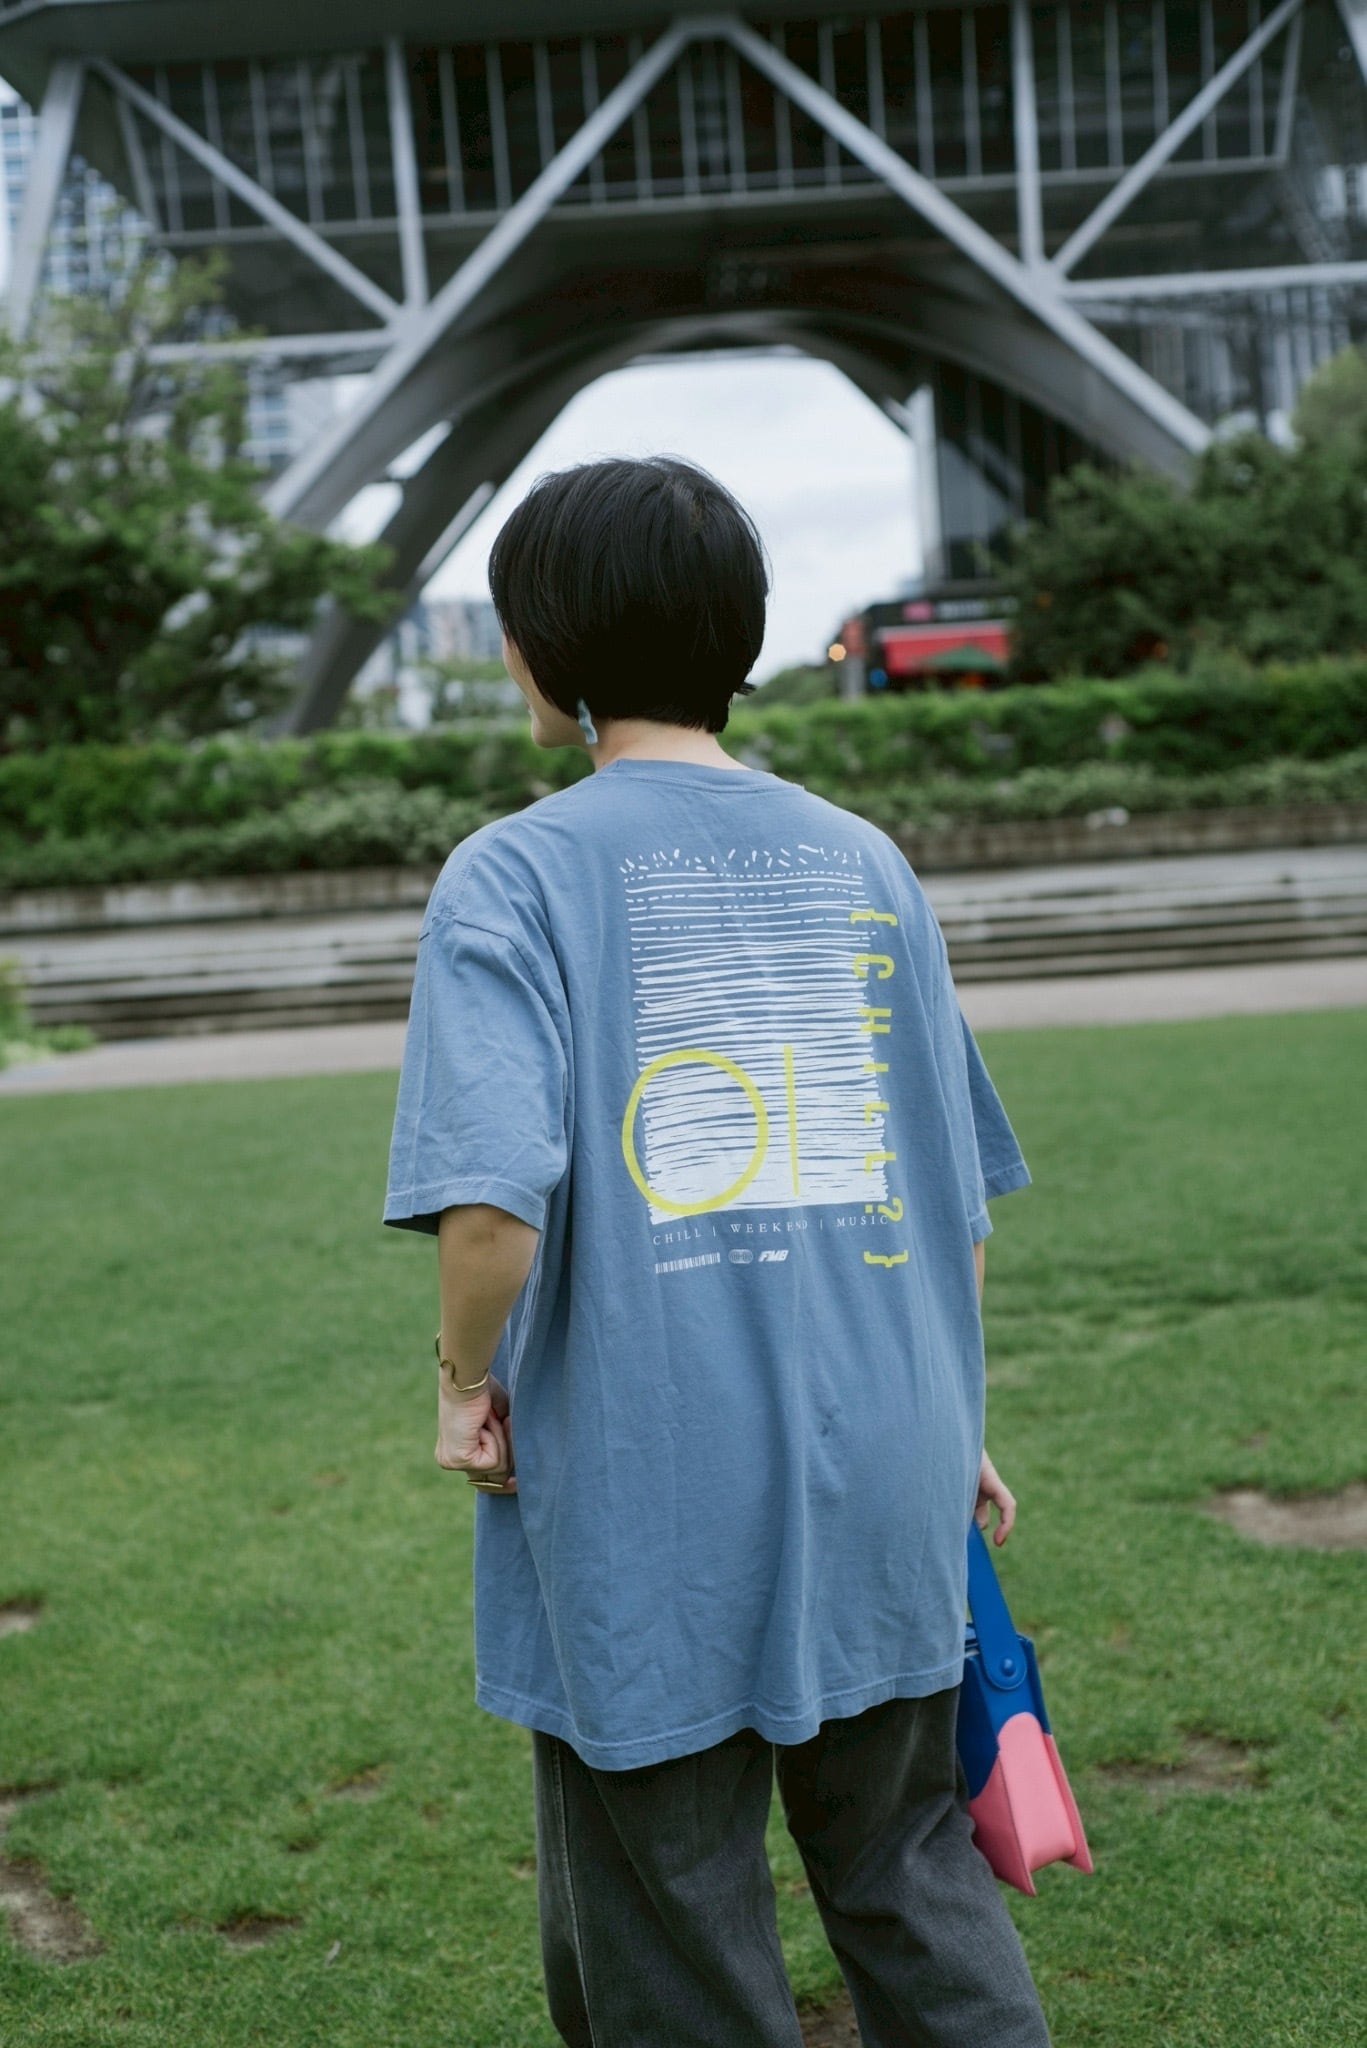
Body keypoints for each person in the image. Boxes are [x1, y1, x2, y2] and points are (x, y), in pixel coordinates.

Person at [383, 455, 1051, 2046]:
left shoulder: (514, 873)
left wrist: (461, 1385)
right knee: (909, 1874)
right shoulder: (865, 859)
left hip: (648, 1484)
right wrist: (953, 1420)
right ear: (737, 634)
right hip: (887, 1454)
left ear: (541, 646)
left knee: (671, 1928)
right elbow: (944, 1192)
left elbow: (492, 1211)